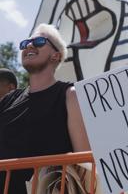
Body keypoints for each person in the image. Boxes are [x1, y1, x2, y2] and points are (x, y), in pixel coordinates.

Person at [0, 24, 90, 194]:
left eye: (39, 41)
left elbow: (85, 162)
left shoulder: (70, 95)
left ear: (56, 55)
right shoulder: (7, 101)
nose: (29, 46)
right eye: (25, 43)